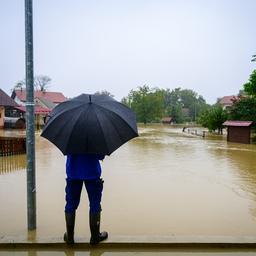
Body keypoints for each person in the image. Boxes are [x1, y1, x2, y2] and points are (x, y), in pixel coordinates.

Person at [63, 153, 108, 245]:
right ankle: (95, 237)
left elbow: (66, 151)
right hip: (92, 172)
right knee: (95, 204)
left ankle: (70, 237)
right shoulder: (96, 138)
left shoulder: (70, 138)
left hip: (73, 172)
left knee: (70, 205)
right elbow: (100, 156)